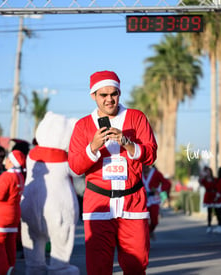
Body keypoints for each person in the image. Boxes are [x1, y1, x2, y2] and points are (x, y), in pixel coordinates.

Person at [68, 70, 157, 275]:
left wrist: (127, 142)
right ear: (93, 96)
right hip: (98, 205)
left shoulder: (136, 117)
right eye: (103, 95)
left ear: (119, 92)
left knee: (136, 266)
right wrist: (93, 147)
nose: (109, 100)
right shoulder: (82, 126)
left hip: (133, 204)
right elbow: (75, 166)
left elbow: (151, 155)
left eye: (114, 94)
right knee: (98, 268)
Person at [142, 164, 171, 240]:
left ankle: (150, 231)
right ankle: (145, 236)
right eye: (143, 166)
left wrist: (159, 190)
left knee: (154, 221)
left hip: (154, 199)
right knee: (142, 221)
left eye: (146, 166)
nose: (144, 168)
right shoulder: (138, 173)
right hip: (142, 200)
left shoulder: (156, 173)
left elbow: (167, 183)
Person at [198, 166, 218, 233]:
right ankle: (209, 225)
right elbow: (200, 183)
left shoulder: (214, 179)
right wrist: (201, 175)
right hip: (208, 195)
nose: (208, 173)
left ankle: (219, 225)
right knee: (209, 211)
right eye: (207, 172)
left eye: (209, 172)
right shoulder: (204, 180)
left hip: (214, 195)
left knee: (217, 210)